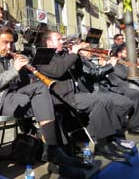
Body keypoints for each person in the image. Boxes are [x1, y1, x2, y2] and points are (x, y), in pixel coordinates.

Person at [0, 26, 88, 169]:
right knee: (43, 96)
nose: (9, 46)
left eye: (11, 43)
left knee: (47, 98)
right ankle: (56, 153)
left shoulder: (12, 57)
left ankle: (58, 153)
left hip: (16, 97)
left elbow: (22, 84)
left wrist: (24, 68)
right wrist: (14, 70)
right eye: (5, 42)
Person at [37, 30, 130, 161]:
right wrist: (73, 53)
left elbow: (78, 70)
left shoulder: (62, 54)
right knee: (97, 101)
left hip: (76, 92)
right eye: (58, 39)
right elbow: (58, 71)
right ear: (49, 42)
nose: (62, 41)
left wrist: (78, 54)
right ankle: (101, 145)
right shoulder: (43, 57)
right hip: (62, 96)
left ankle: (109, 140)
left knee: (106, 100)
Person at [107, 44, 139, 134]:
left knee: (135, 92)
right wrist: (132, 66)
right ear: (119, 53)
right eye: (126, 53)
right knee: (135, 94)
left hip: (125, 86)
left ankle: (135, 123)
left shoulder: (124, 61)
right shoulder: (115, 62)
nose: (129, 55)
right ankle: (134, 125)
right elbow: (124, 75)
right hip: (117, 88)